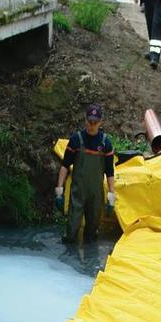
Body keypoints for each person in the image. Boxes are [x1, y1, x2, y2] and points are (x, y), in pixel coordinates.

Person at [55, 104, 116, 244]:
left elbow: (110, 172)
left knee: (92, 234)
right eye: (89, 122)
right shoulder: (76, 140)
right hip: (78, 193)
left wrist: (111, 196)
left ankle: (89, 262)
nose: (91, 125)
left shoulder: (105, 143)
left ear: (101, 122)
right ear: (85, 120)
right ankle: (67, 259)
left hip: (96, 194)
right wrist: (59, 191)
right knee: (71, 231)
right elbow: (65, 166)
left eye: (95, 122)